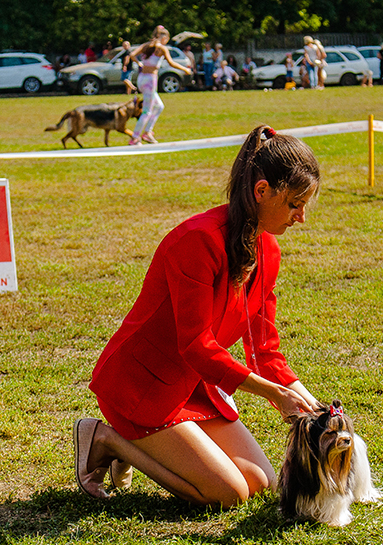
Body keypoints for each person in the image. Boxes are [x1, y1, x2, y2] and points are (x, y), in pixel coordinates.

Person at [75, 125, 324, 508]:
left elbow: (264, 347)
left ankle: (134, 444)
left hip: (192, 384)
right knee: (227, 494)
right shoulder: (197, 240)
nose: (302, 217)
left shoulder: (269, 251)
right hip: (141, 385)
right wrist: (275, 394)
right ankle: (109, 440)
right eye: (294, 204)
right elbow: (196, 346)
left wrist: (310, 402)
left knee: (260, 482)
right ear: (261, 192)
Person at [127, 25, 192, 146]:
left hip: (141, 79)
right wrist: (185, 69)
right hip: (150, 81)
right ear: (164, 37)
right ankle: (135, 138)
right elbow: (171, 63)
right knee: (147, 111)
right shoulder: (161, 48)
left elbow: (132, 54)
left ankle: (148, 132)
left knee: (159, 106)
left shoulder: (146, 46)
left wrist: (139, 63)